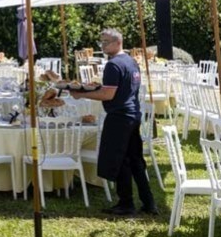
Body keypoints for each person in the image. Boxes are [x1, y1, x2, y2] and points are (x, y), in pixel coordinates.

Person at [65, 27, 157, 217]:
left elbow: (108, 94)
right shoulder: (131, 62)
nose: (103, 45)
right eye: (102, 42)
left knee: (120, 160)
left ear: (118, 42)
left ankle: (126, 203)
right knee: (136, 160)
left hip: (119, 116)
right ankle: (149, 203)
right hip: (133, 114)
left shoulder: (113, 65)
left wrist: (81, 94)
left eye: (106, 42)